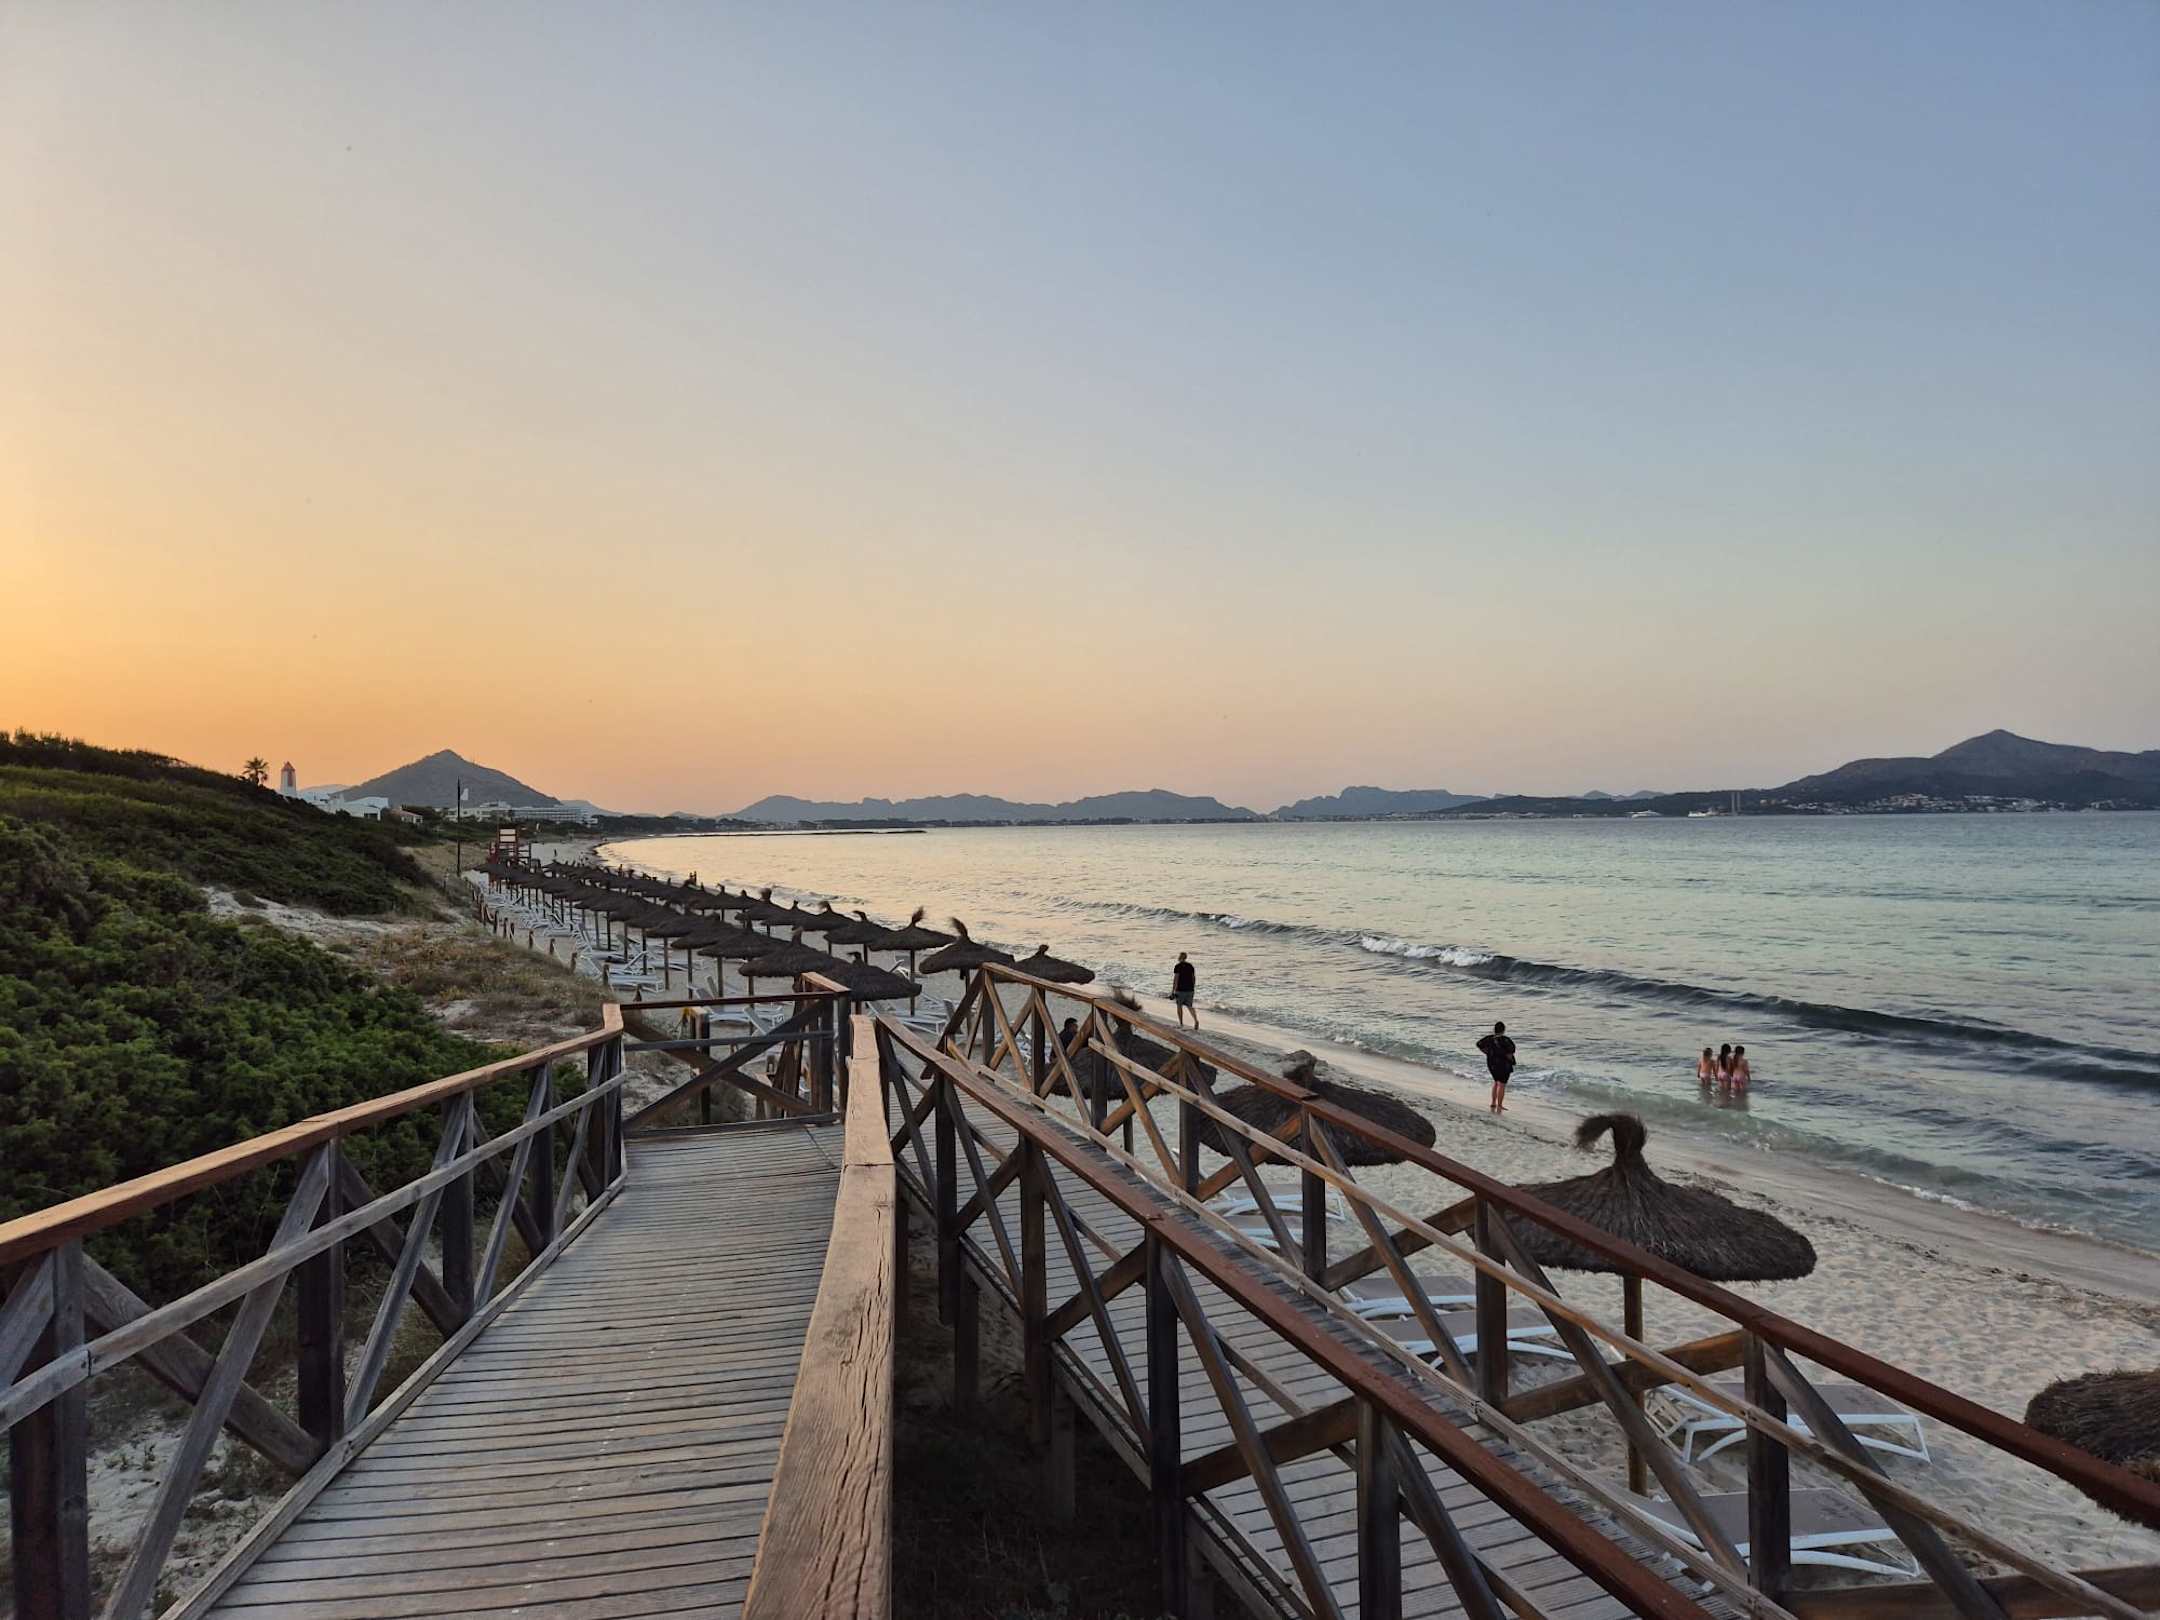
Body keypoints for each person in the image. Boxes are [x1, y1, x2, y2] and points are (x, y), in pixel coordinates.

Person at [1476, 1021, 1517, 1112]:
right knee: (1502, 1084)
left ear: (1494, 1030)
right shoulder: (1506, 1040)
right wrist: (1509, 1059)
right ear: (1503, 1030)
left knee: (1496, 1082)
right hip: (1504, 1065)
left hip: (1491, 1064)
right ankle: (1500, 1105)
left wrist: (1487, 1052)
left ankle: (1493, 1102)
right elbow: (1511, 1051)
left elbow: (1478, 1044)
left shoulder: (1489, 1038)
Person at [1171, 952, 1199, 1028]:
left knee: (1179, 1006)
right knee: (1190, 1006)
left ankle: (1181, 1023)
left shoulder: (1178, 966)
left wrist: (1173, 991)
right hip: (1190, 989)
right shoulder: (1190, 966)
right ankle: (1196, 1020)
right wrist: (1193, 987)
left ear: (1180, 957)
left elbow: (1176, 979)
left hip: (1180, 990)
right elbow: (1193, 978)